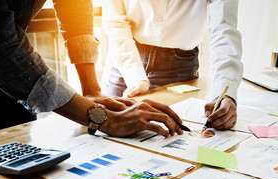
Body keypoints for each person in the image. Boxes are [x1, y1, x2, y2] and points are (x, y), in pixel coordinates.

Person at [0, 0, 183, 137]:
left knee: (19, 159)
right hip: (4, 64)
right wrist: (106, 121)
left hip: (11, 77)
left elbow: (73, 6)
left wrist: (91, 90)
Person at [99, 0, 244, 130]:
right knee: (102, 133)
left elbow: (224, 28)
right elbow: (114, 21)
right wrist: (134, 74)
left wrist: (225, 91)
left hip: (179, 67)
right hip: (123, 59)